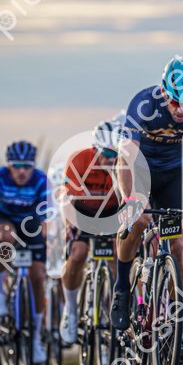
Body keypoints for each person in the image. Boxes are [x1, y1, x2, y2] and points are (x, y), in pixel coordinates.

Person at [112, 57, 183, 363]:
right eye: (176, 103)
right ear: (164, 92)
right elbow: (125, 157)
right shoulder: (144, 104)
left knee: (179, 245)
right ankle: (122, 288)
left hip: (172, 175)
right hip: (139, 170)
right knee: (138, 221)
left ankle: (179, 315)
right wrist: (131, 198)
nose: (182, 111)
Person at [0, 141, 50, 364]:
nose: (22, 171)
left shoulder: (41, 179)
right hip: (6, 221)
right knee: (5, 236)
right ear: (8, 165)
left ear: (33, 166)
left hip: (31, 224)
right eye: (17, 166)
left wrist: (50, 239)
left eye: (27, 166)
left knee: (38, 278)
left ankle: (35, 338)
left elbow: (48, 218)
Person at [58, 120, 122, 346]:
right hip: (82, 211)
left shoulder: (123, 164)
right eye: (107, 154)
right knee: (78, 252)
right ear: (96, 149)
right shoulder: (79, 160)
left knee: (119, 256)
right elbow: (68, 199)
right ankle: (70, 309)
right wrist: (70, 226)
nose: (111, 160)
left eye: (116, 154)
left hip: (111, 213)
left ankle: (112, 305)